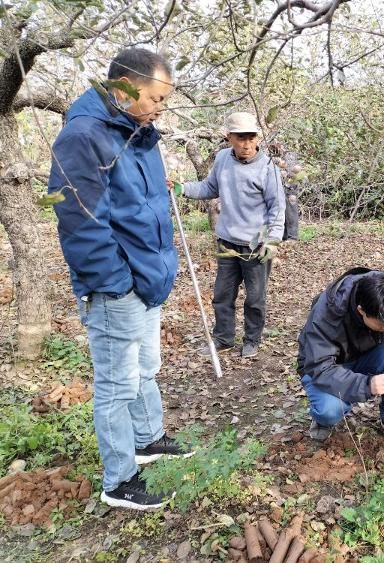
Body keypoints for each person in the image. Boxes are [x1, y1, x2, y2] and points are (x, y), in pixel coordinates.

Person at [48, 48, 191, 511]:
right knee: (116, 383)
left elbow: (141, 208)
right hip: (117, 286)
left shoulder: (140, 134)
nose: (160, 107)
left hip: (147, 281)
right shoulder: (83, 137)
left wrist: (151, 274)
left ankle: (148, 439)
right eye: (155, 97)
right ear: (126, 88)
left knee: (146, 368)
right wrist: (117, 282)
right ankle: (119, 480)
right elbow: (81, 222)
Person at [171, 112, 285, 358]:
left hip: (256, 243)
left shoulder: (268, 169)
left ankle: (252, 340)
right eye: (240, 138)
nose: (246, 144)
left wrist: (273, 240)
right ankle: (223, 338)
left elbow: (277, 208)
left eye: (251, 137)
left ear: (257, 138)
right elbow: (210, 187)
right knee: (222, 295)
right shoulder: (223, 159)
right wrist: (182, 188)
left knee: (255, 298)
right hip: (227, 242)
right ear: (229, 137)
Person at [297, 268, 384, 443]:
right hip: (324, 368)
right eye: (382, 324)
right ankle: (321, 420)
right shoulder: (327, 312)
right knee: (330, 410)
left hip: (366, 356)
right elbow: (319, 367)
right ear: (361, 310)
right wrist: (367, 385)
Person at [268, 142, 301, 241]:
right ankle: (284, 236)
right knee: (281, 210)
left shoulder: (289, 153)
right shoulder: (271, 154)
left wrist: (288, 184)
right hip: (279, 186)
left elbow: (296, 170)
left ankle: (292, 237)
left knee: (291, 211)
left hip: (290, 187)